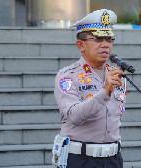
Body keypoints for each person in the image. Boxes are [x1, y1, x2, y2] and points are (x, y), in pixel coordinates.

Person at [53, 9, 126, 168]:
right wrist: (104, 92)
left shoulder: (116, 75)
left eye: (109, 39)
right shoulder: (67, 76)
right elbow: (73, 116)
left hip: (113, 158)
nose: (105, 44)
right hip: (82, 159)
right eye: (98, 39)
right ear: (81, 45)